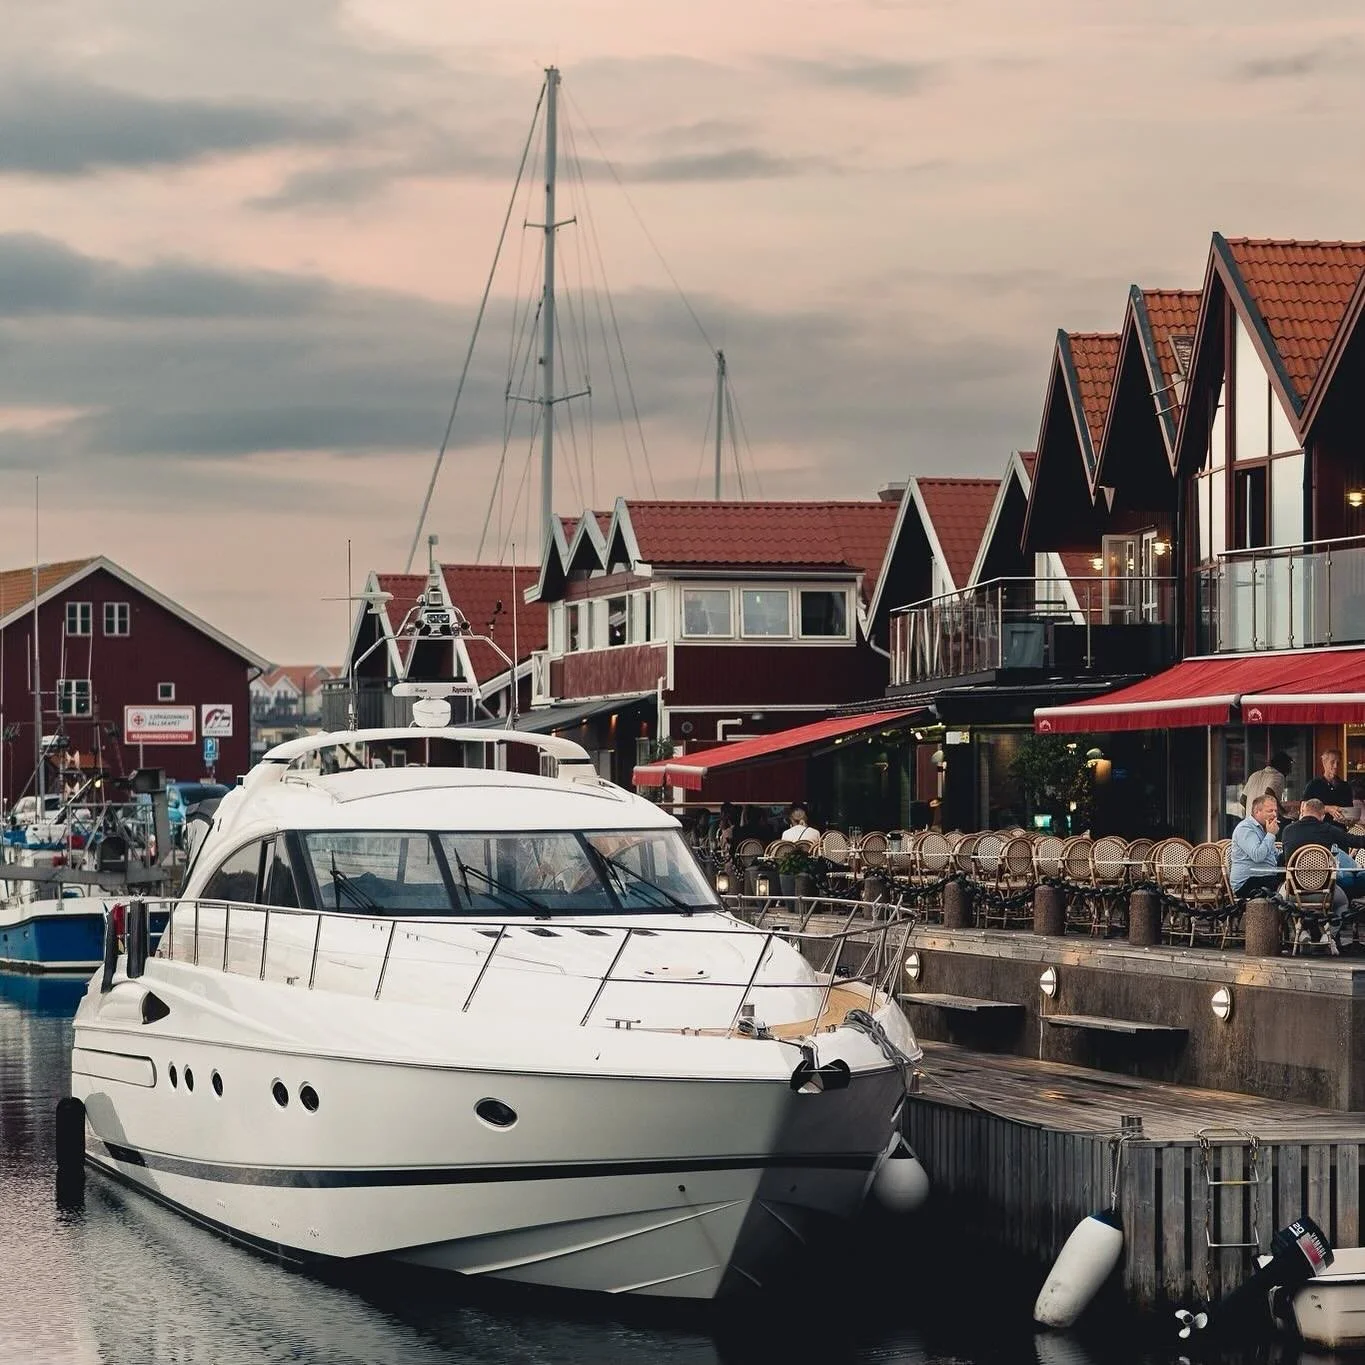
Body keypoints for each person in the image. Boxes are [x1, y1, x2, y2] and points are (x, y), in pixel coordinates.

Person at [1282, 798, 1365, 908]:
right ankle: (1333, 919)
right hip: (1324, 891)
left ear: (1303, 812)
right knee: (1343, 901)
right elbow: (1355, 841)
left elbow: (1284, 859)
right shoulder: (1328, 829)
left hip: (1293, 891)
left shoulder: (1288, 830)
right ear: (1323, 816)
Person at [1230, 793, 1283, 899]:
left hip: (1265, 876)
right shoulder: (1245, 828)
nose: (1274, 814)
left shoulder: (1264, 828)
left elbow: (1274, 856)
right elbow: (1258, 856)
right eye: (1270, 811)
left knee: (1291, 878)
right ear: (1257, 812)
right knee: (1286, 886)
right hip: (1247, 882)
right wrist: (1271, 834)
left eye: (1275, 811)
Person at [1302, 748, 1360, 824]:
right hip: (1318, 829)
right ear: (1324, 763)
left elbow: (1348, 812)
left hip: (1340, 829)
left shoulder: (1346, 786)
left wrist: (1350, 820)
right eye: (1332, 762)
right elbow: (1304, 809)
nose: (1335, 766)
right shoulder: (1313, 785)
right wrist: (1327, 809)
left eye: (1338, 763)